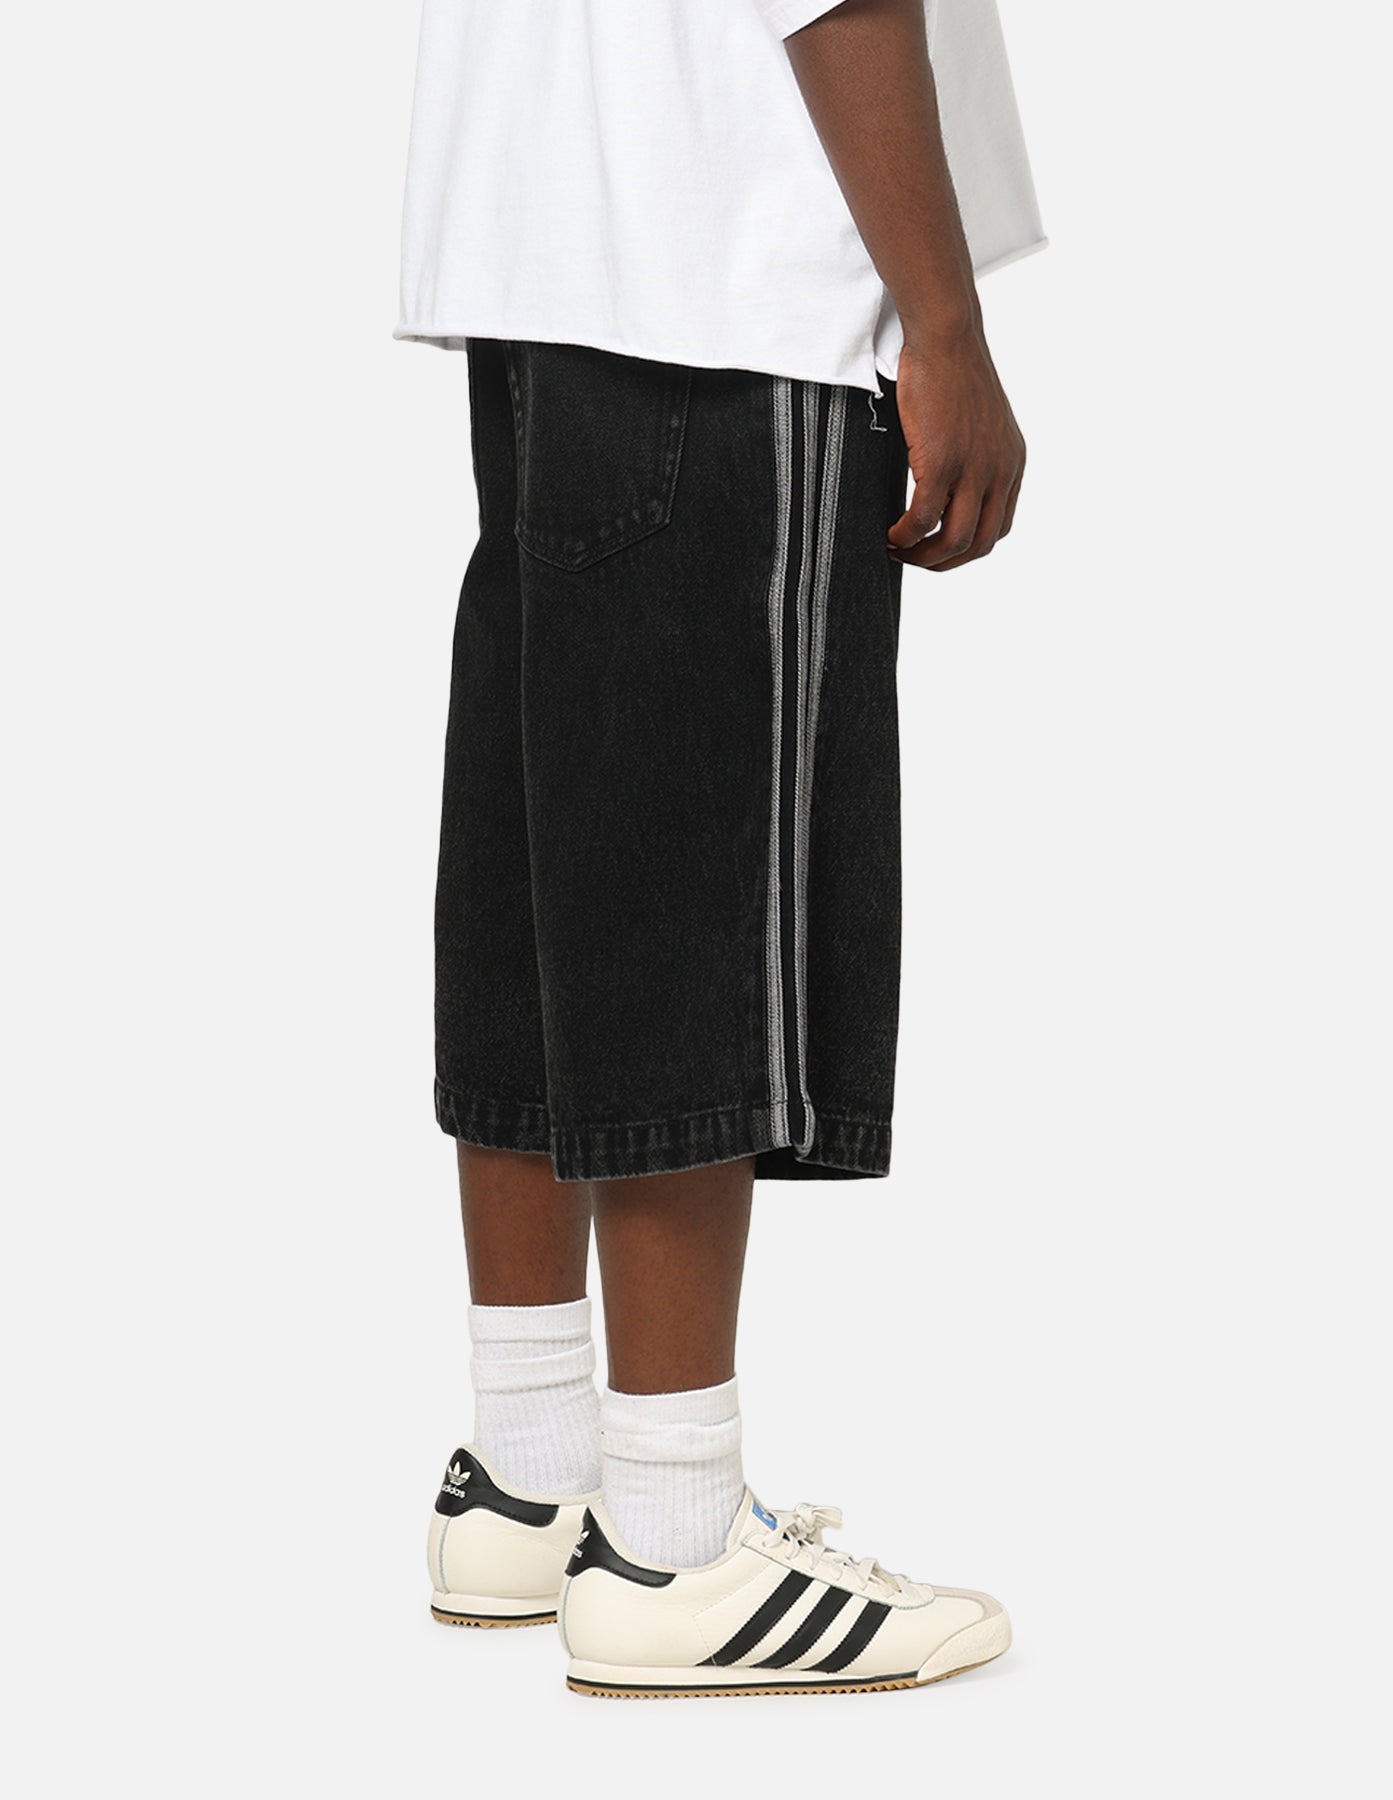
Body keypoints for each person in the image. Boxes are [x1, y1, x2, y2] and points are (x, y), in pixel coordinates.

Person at [396, 0, 1044, 1697]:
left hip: (547, 248)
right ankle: (675, 1543)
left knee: (550, 867)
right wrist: (946, 320)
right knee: (689, 891)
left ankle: (530, 1478)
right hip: (725, 264)